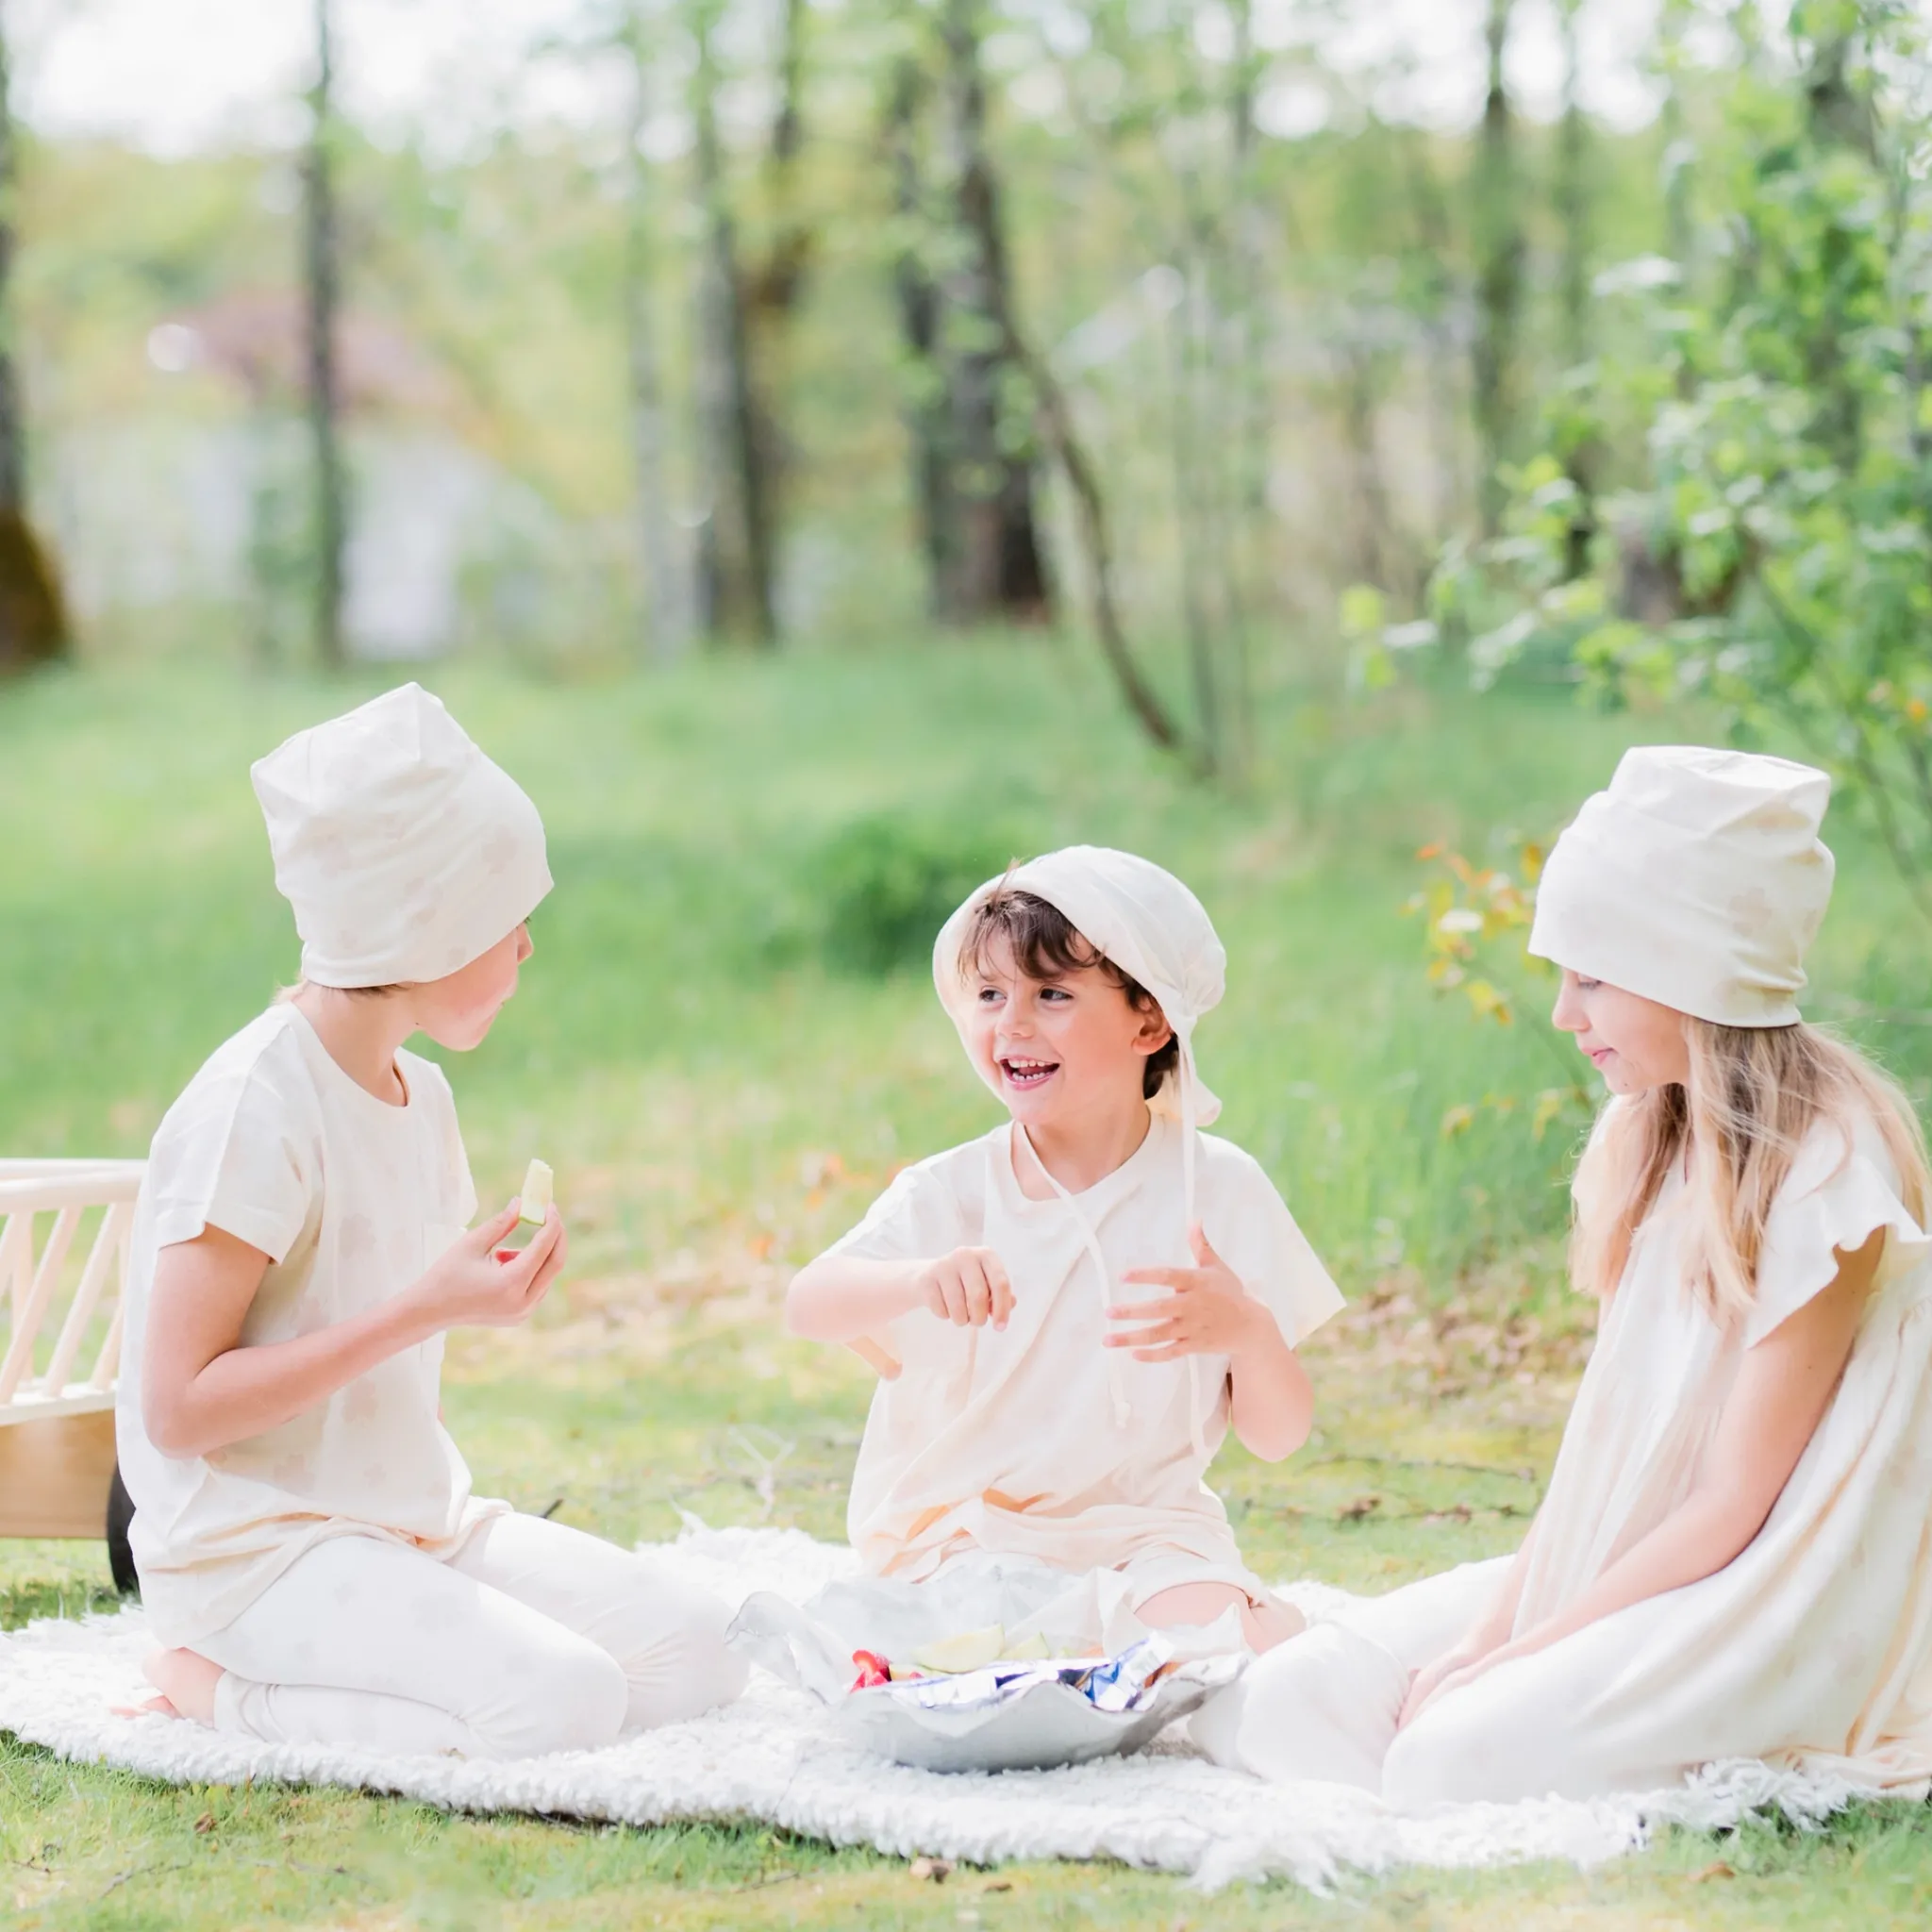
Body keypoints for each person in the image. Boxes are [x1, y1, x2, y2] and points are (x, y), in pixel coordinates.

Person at [1192, 746, 1932, 1806]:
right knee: (1282, 1705)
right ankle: (1473, 1724)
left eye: (1588, 975)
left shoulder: (1826, 1172)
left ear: (1691, 969)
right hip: (1621, 1562)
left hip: (1741, 1606)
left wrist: (1518, 1655)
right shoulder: (1650, 1131)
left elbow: (1733, 1506)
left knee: (1449, 1755)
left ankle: (1494, 1742)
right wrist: (1501, 1629)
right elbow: (1607, 1439)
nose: (1560, 1013)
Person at [119, 684, 746, 1759]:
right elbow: (175, 1410)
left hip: (405, 1519)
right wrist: (425, 1308)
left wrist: (460, 1301)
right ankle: (209, 1687)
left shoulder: (424, 1096)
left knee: (702, 1654)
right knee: (564, 1703)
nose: (526, 949)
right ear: (424, 922)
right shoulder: (252, 1108)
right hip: (253, 1552)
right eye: (508, 919)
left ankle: (416, 1675)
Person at [785, 846, 1342, 1651]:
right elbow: (809, 1303)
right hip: (965, 1537)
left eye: (1052, 994)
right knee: (968, 1635)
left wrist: (1247, 1331)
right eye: (988, 994)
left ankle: (1166, 1635)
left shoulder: (1217, 1189)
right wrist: (916, 1281)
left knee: (1230, 1640)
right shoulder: (955, 1192)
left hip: (1149, 1537)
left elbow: (1280, 1436)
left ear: (1150, 1021)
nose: (1011, 1023)